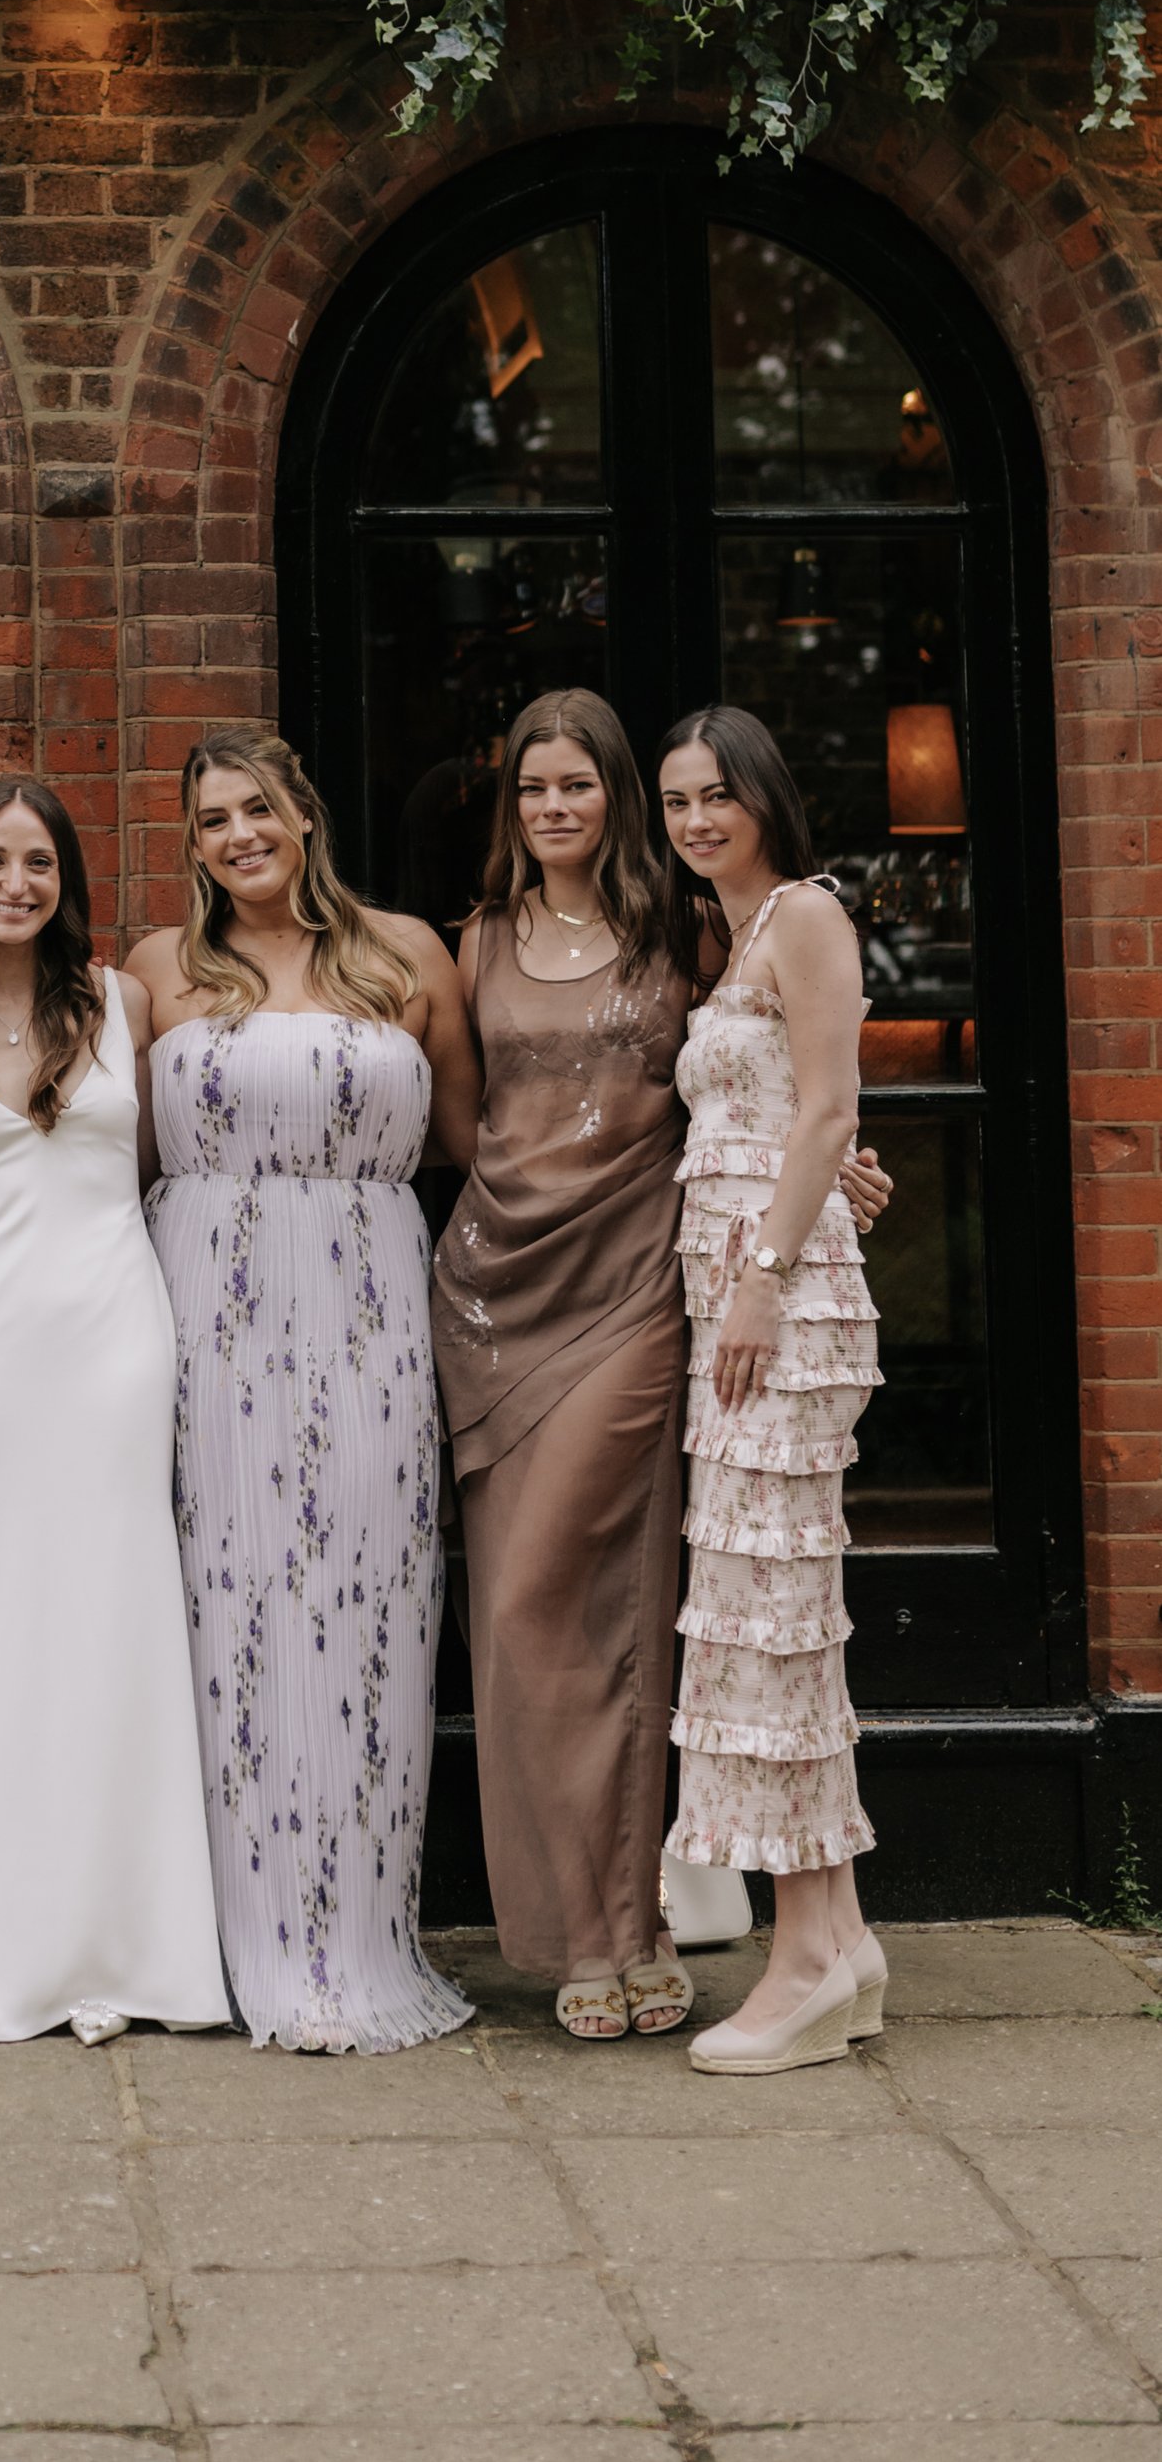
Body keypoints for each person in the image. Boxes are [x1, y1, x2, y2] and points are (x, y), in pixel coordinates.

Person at [434, 693, 893, 2044]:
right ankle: (823, 1939)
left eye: (585, 783)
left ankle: (726, 1941)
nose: (558, 806)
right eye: (533, 787)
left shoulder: (703, 926)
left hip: (693, 1302)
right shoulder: (492, 941)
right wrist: (813, 1157)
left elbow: (804, 1091)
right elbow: (480, 1121)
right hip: (532, 1291)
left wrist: (816, 1189)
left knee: (753, 1611)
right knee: (720, 1611)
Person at [132, 728, 478, 2055]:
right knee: (229, 1612)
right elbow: (102, 1146)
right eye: (211, 819)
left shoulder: (404, 956)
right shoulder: (161, 971)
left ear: (304, 816)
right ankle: (229, 1940)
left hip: (372, 1318)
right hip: (209, 1325)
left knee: (368, 1606)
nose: (236, 835)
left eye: (256, 808)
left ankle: (356, 1927)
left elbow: (480, 1147)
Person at [0, 777, 228, 2048]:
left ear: (65, 875)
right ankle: (13, 1951)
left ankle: (136, 1941)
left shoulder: (122, 998)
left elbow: (132, 1171)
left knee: (112, 1615)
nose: (13, 884)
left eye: (35, 862)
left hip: (110, 1338)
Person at [658, 705, 885, 2076]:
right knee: (780, 1624)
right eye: (677, 799)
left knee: (767, 1622)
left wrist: (766, 1273)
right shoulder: (730, 933)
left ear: (764, 797)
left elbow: (828, 1109)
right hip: (739, 1294)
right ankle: (842, 1940)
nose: (694, 820)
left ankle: (798, 1958)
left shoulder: (802, 913)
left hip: (774, 1307)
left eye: (716, 796)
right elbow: (795, 1113)